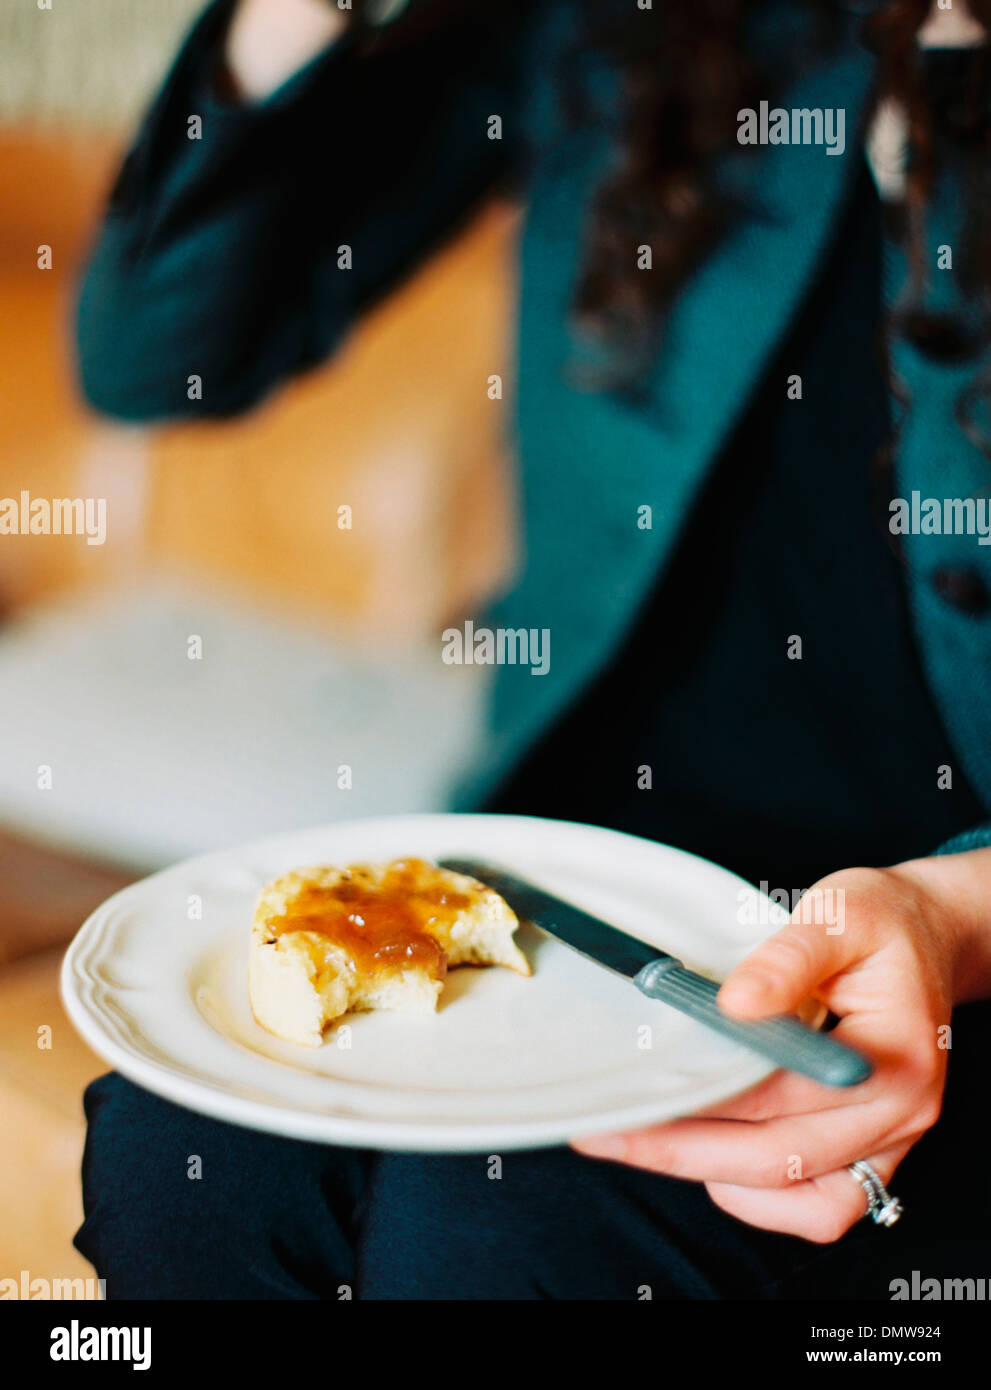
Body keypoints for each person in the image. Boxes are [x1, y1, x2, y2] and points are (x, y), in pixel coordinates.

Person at [73, 0, 991, 1298]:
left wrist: (958, 917)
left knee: (498, 1225)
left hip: (933, 946)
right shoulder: (624, 28)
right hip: (572, 886)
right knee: (186, 1155)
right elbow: (155, 353)